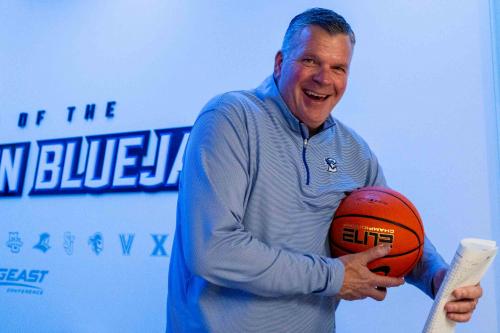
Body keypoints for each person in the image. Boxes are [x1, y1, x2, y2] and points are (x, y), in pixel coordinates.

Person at [167, 7, 483, 332]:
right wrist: (334, 276)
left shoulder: (354, 151)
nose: (324, 78)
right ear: (279, 63)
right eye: (310, 61)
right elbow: (213, 250)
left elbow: (393, 230)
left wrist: (438, 278)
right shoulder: (231, 118)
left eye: (338, 68)